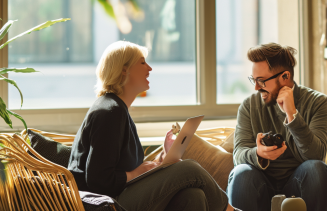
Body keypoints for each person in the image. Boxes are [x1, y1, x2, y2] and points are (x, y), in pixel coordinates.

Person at [68, 41, 240, 211]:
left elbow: (122, 168)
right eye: (142, 62)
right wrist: (136, 174)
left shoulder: (118, 110)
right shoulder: (109, 112)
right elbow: (98, 180)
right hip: (106, 204)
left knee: (193, 196)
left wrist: (161, 161)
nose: (149, 68)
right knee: (189, 168)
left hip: (119, 196)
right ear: (124, 70)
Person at [227, 43, 327, 211]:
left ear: (285, 76)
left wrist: (291, 114)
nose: (256, 88)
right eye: (253, 80)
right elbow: (238, 155)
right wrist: (258, 153)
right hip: (260, 185)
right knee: (241, 173)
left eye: (261, 81)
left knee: (316, 169)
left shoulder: (318, 103)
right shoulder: (249, 106)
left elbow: (316, 155)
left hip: (298, 185)